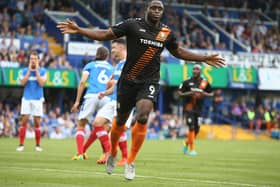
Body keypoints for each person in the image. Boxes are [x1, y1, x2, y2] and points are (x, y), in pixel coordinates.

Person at [57, 0, 225, 180]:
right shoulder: (132, 25)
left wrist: (204, 57)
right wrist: (80, 30)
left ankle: (130, 160)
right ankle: (113, 152)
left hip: (149, 81)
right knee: (119, 122)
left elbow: (178, 52)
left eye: (160, 9)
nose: (157, 11)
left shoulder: (165, 32)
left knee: (143, 115)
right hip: (127, 83)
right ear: (147, 9)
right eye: (153, 7)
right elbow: (106, 34)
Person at [82, 38, 131, 166]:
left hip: (126, 101)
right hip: (113, 100)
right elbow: (113, 86)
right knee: (97, 122)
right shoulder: (118, 65)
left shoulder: (131, 63)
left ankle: (125, 157)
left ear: (121, 48)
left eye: (114, 48)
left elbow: (126, 83)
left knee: (118, 128)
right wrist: (105, 92)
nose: (112, 51)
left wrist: (115, 83)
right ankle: (109, 152)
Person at [71, 46, 114, 160]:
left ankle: (80, 154)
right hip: (106, 97)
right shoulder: (111, 68)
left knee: (81, 125)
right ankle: (105, 153)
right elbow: (113, 85)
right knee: (102, 127)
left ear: (97, 54)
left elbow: (82, 82)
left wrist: (77, 101)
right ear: (107, 56)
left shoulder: (90, 65)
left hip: (91, 96)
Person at [178, 64, 213, 156]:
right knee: (191, 127)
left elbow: (211, 93)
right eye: (193, 69)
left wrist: (204, 94)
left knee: (197, 130)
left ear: (200, 71)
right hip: (188, 108)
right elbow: (179, 93)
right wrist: (190, 93)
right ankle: (192, 150)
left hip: (199, 109)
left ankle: (186, 143)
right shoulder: (186, 82)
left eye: (197, 69)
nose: (194, 71)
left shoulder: (204, 83)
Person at [16, 51, 46, 152]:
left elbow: (41, 83)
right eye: (31, 59)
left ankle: (37, 145)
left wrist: (36, 70)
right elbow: (23, 83)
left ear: (38, 60)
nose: (33, 61)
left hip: (37, 99)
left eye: (34, 59)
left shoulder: (43, 71)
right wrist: (29, 71)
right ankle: (21, 144)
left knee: (37, 122)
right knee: (24, 120)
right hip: (27, 98)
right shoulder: (24, 71)